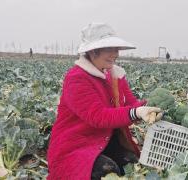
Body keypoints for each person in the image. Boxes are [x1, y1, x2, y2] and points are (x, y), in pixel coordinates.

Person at [47, 23, 163, 179]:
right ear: (93, 51)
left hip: (106, 141)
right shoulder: (77, 78)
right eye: (109, 49)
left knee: (132, 164)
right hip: (76, 147)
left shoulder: (114, 75)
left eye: (116, 49)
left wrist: (149, 107)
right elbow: (98, 116)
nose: (115, 54)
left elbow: (131, 103)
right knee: (107, 172)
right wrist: (136, 112)